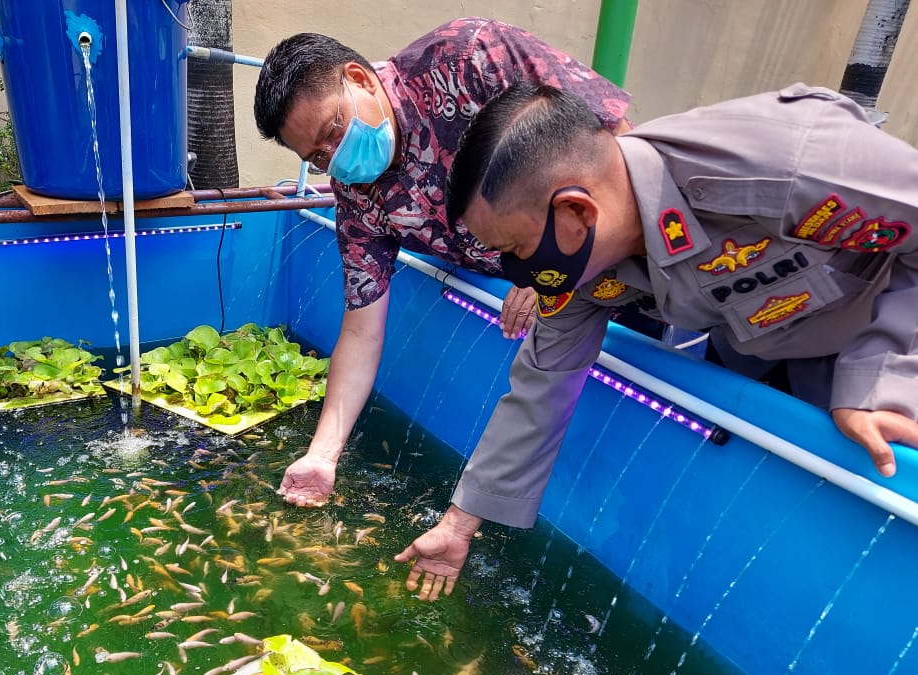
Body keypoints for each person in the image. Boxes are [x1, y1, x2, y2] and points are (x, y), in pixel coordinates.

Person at [395, 81, 918, 600]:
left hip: (882, 347)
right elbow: (542, 383)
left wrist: (881, 377)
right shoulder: (582, 267)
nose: (519, 274)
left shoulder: (782, 163)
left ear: (577, 211)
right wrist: (461, 523)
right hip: (756, 353)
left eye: (516, 250)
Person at [252, 19, 633, 508]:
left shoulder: (470, 57)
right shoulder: (357, 194)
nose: (335, 157)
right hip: (549, 306)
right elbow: (362, 329)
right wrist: (323, 456)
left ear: (361, 79)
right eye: (319, 157)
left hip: (622, 265)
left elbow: (612, 133)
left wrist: (549, 265)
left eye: (332, 131)